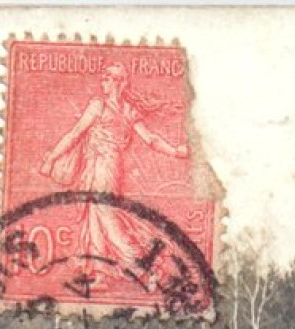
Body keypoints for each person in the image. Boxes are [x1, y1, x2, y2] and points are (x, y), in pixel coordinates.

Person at [37, 62, 191, 291]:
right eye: (104, 77)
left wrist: (175, 152)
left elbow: (150, 139)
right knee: (95, 217)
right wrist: (52, 157)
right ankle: (101, 275)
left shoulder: (107, 108)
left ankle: (145, 267)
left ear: (120, 82)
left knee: (107, 219)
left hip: (105, 168)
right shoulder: (112, 108)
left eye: (108, 78)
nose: (103, 81)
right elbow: (75, 134)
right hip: (97, 166)